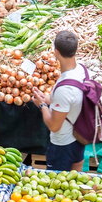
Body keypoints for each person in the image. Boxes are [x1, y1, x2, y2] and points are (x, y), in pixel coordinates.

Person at [32, 30, 87, 172]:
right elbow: (73, 100)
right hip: (80, 136)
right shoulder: (83, 70)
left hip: (63, 143)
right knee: (75, 180)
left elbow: (54, 126)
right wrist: (49, 99)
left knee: (59, 186)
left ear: (56, 52)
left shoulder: (64, 89)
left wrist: (42, 105)